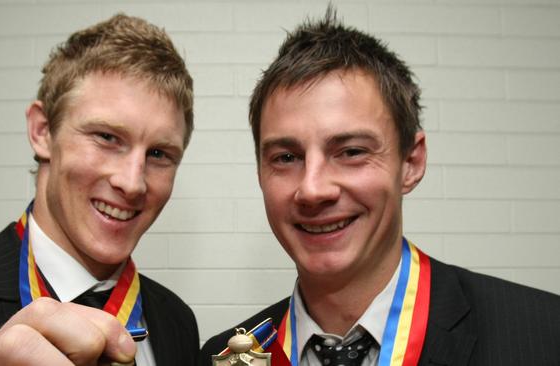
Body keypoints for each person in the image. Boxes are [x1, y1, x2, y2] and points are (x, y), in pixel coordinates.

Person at [200, 7, 560, 366]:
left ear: (411, 163)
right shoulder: (222, 358)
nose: (312, 189)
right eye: (286, 158)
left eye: (352, 152)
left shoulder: (543, 334)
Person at [0, 13, 199, 366]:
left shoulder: (178, 322)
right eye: (107, 137)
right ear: (43, 131)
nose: (132, 182)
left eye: (158, 153)